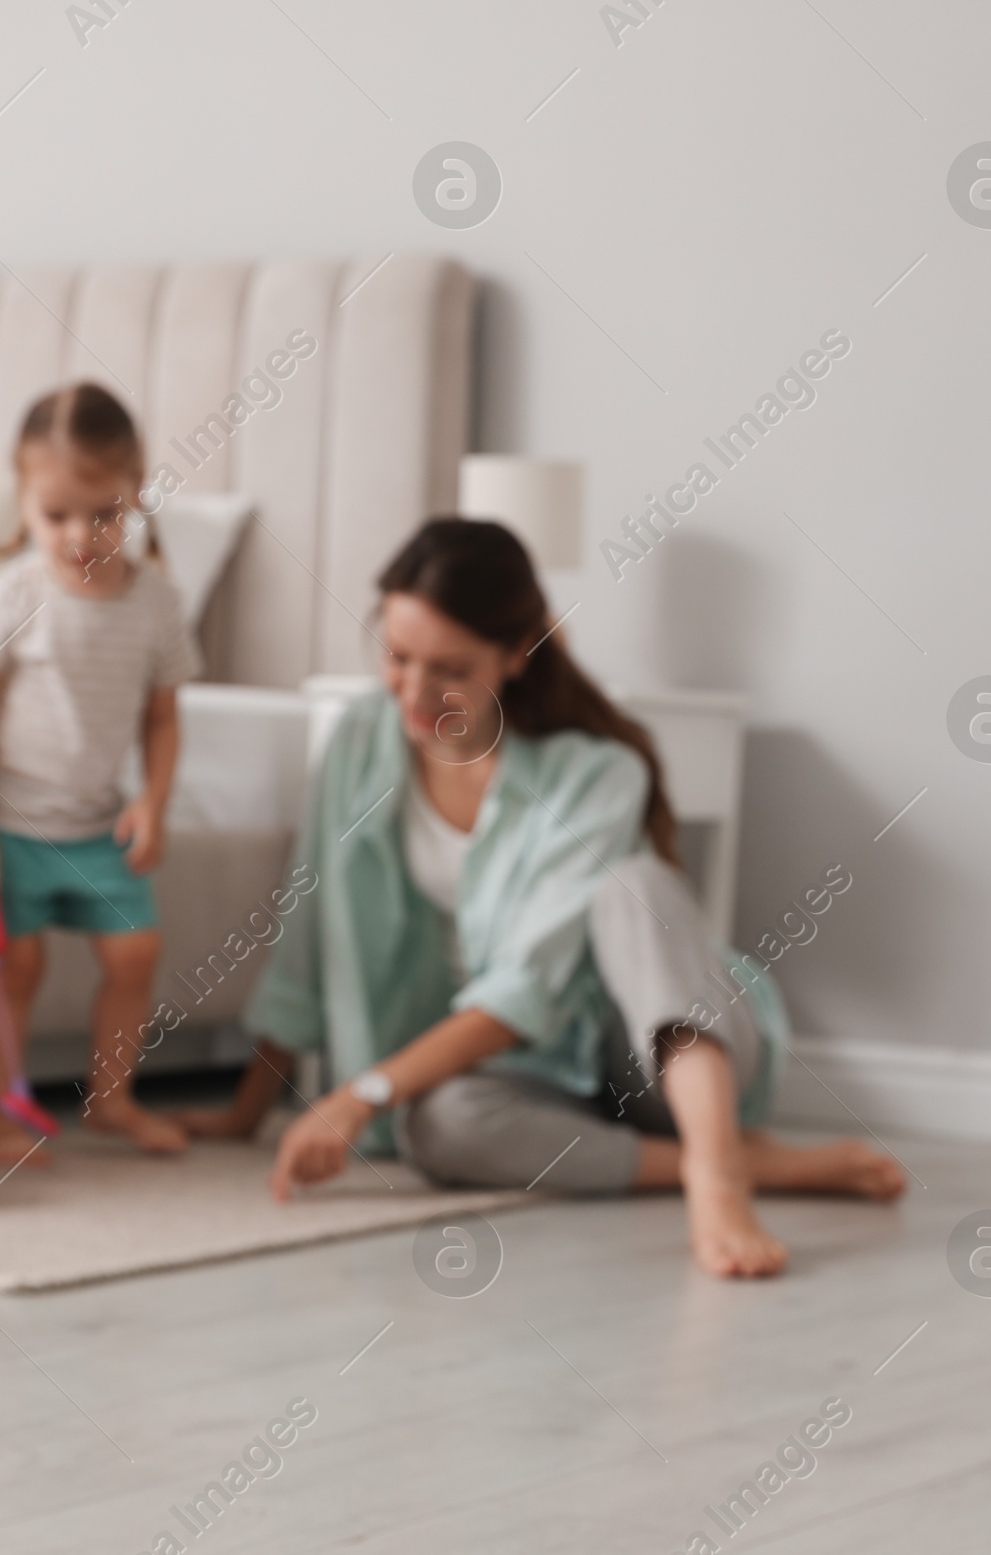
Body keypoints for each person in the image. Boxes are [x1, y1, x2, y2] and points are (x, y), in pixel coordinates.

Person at [185, 517, 904, 1277]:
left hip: (652, 1056)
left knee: (638, 885)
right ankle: (748, 1161)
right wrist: (248, 1110)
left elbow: (525, 988)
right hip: (536, 1077)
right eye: (397, 657)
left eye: (450, 668)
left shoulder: (595, 773)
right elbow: (311, 928)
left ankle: (719, 1173)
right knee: (436, 1124)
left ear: (515, 656)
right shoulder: (361, 741)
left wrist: (363, 1090)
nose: (417, 693)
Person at [0, 382, 198, 1165]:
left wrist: (154, 802)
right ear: (23, 502)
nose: (81, 534)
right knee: (15, 967)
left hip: (97, 824)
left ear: (136, 495)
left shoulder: (156, 603)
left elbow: (162, 716)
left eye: (105, 513)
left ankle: (112, 1099)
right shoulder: (12, 593)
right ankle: (2, 1115)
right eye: (56, 516)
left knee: (134, 953)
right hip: (9, 828)